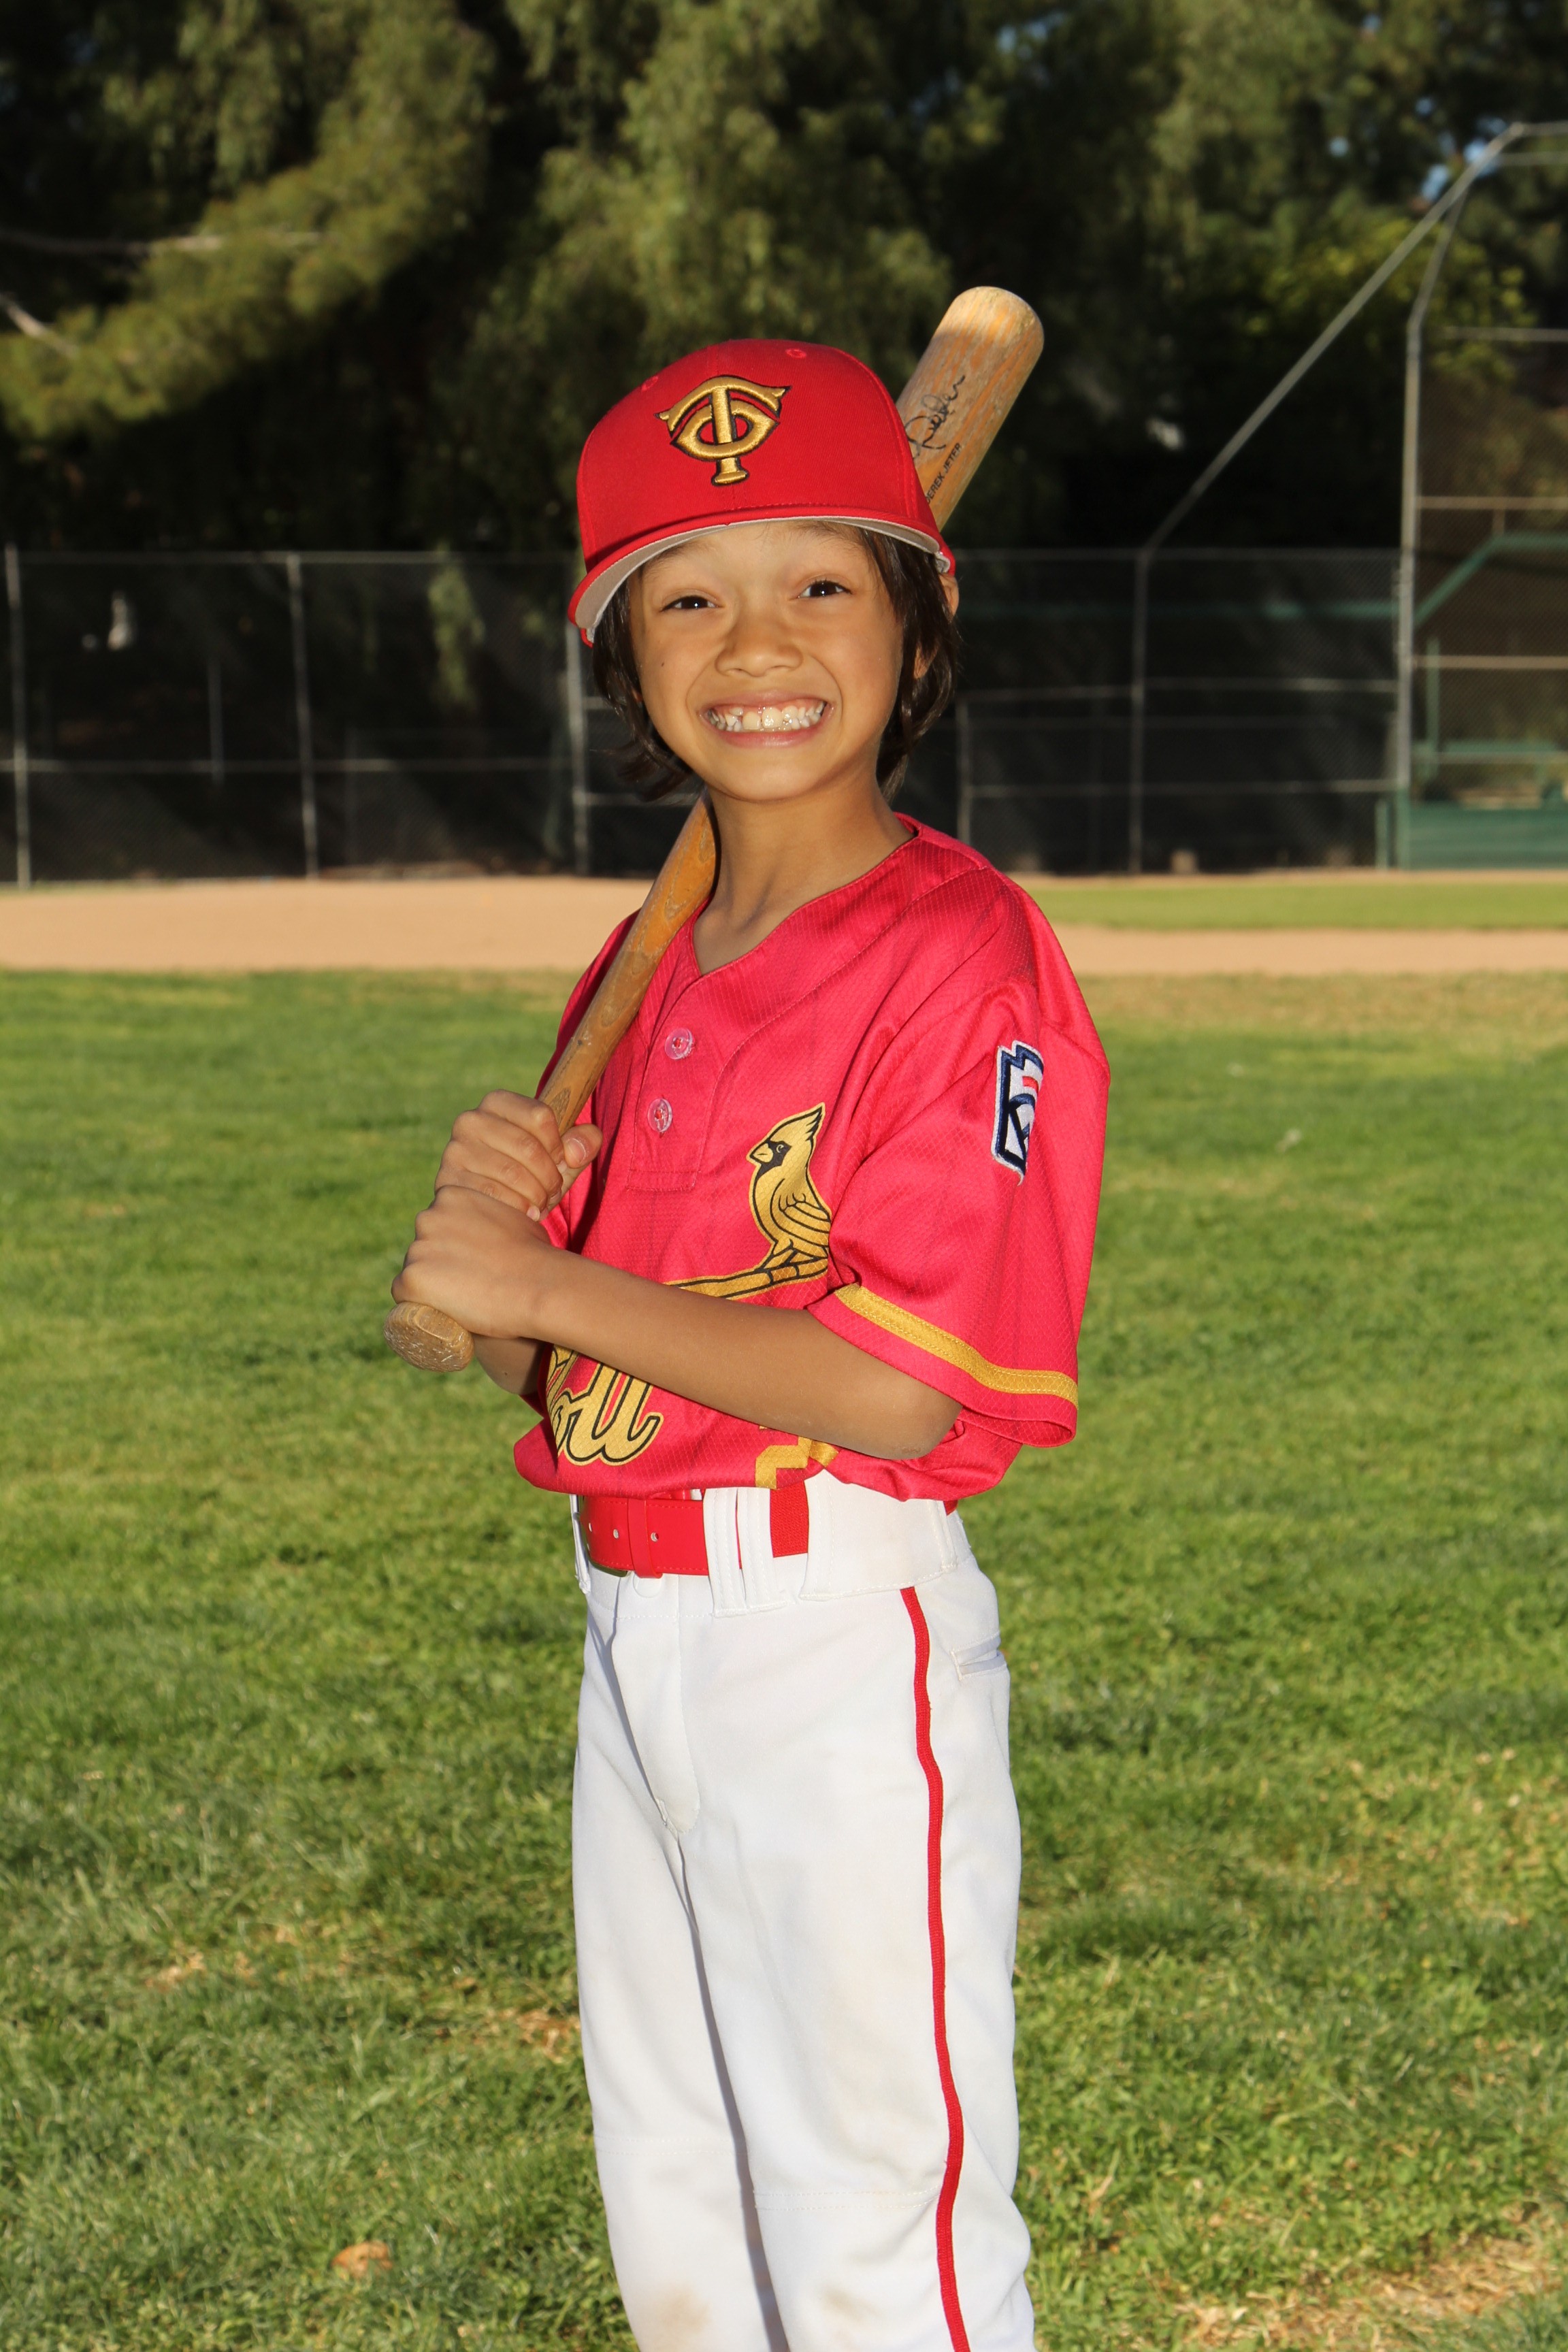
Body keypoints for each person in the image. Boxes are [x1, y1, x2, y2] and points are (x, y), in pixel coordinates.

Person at [391, 337, 1109, 2352]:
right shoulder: (646, 969)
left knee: (879, 2230)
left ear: (915, 623)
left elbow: (901, 1381)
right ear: (624, 665)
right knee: (687, 2222)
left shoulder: (963, 956)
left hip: (829, 1642)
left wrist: (547, 1287)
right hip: (634, 1633)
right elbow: (598, 1370)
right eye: (688, 598)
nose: (760, 643)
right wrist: (502, 1266)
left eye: (820, 583)